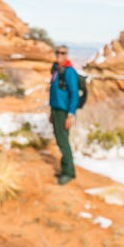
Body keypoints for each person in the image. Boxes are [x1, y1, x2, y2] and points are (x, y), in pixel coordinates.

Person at [48, 45, 79, 184]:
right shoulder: (56, 69)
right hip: (55, 110)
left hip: (63, 111)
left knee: (63, 142)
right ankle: (69, 170)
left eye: (63, 53)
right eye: (58, 52)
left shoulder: (69, 71)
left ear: (67, 55)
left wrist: (70, 115)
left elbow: (74, 95)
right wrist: (51, 111)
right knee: (60, 140)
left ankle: (67, 173)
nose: (59, 55)